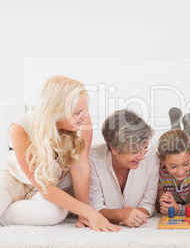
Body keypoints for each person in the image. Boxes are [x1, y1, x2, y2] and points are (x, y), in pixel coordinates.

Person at [0, 75, 120, 232]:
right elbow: (42, 183)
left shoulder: (82, 120)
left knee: (56, 213)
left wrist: (84, 213)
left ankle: (5, 215)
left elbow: (80, 167)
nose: (84, 116)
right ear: (56, 113)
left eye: (85, 109)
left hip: (49, 190)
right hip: (14, 181)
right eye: (78, 112)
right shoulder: (20, 128)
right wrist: (88, 212)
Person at [89, 109, 159, 228]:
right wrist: (122, 215)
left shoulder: (151, 158)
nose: (142, 156)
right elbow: (94, 208)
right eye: (135, 151)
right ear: (114, 149)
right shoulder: (92, 159)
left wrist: (133, 216)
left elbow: (148, 204)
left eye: (145, 147)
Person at [156, 129, 190, 216]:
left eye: (186, 164)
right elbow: (158, 207)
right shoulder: (157, 168)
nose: (180, 172)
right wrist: (164, 204)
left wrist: (179, 210)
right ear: (162, 160)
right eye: (173, 166)